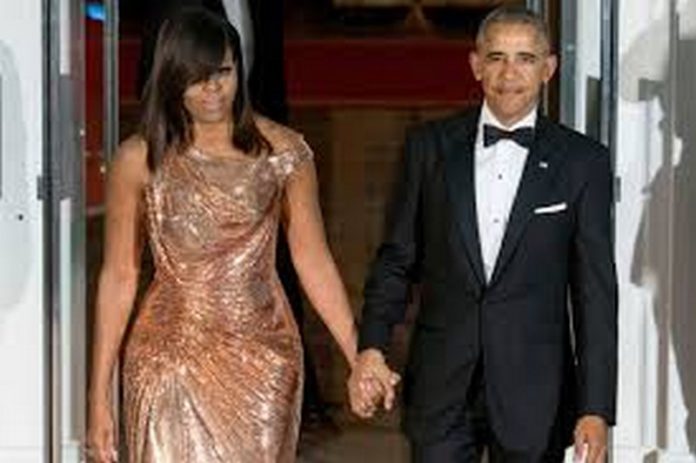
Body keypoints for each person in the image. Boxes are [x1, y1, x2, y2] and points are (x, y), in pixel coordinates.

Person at [86, 9, 396, 462]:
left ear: (239, 71)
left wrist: (358, 358)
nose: (214, 89)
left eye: (224, 72)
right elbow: (119, 275)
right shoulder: (139, 159)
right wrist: (99, 397)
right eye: (197, 77)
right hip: (166, 360)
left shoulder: (283, 153)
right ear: (172, 78)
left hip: (263, 357)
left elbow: (312, 261)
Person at [348, 6, 618, 463]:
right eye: (496, 57)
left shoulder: (582, 162)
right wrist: (371, 347)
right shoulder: (428, 148)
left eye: (525, 59)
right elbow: (396, 260)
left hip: (536, 395)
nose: (509, 73)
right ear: (475, 65)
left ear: (549, 68)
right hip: (441, 385)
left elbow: (594, 292)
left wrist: (596, 407)